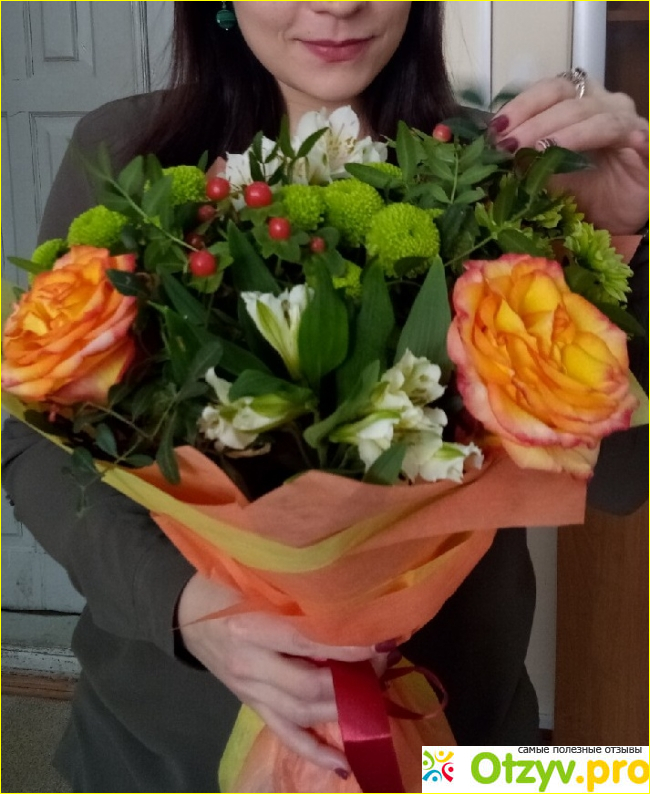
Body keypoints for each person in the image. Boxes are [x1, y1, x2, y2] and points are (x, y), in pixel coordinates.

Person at [2, 3, 648, 791]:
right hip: (168, 738)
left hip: (458, 731)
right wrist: (186, 607)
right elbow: (36, 443)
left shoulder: (509, 165)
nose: (338, 4)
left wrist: (629, 232)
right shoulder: (128, 154)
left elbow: (621, 479)